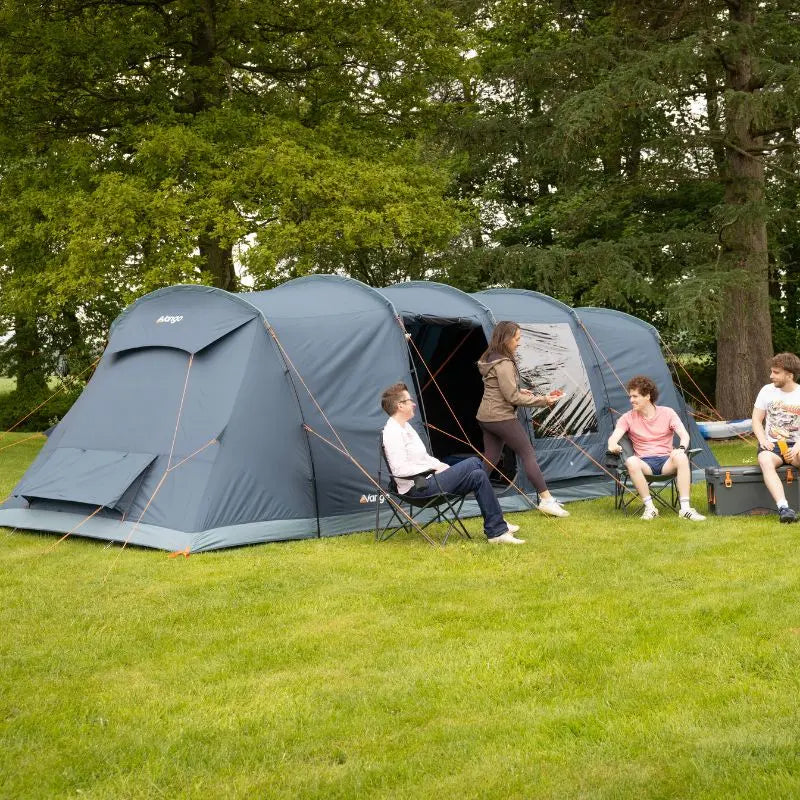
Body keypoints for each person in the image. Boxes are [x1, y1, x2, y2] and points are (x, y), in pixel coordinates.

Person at [381, 382, 525, 544]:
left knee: (478, 475)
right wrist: (433, 469)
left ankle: (497, 531)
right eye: (409, 401)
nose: (414, 404)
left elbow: (424, 458)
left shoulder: (405, 427)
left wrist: (442, 467)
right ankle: (498, 527)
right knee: (473, 462)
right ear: (400, 406)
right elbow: (400, 470)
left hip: (428, 480)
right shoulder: (392, 433)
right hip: (417, 488)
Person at [476, 321, 569, 517]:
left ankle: (470, 491)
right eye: (517, 339)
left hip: (485, 416)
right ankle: (546, 499)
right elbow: (512, 397)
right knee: (527, 453)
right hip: (500, 417)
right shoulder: (504, 363)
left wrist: (519, 390)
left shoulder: (489, 358)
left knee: (490, 458)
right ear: (506, 339)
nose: (519, 343)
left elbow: (500, 388)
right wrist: (544, 400)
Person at [607, 375, 705, 521]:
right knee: (631, 461)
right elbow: (613, 438)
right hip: (645, 464)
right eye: (630, 396)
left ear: (647, 396)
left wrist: (682, 447)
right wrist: (612, 445)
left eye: (635, 396)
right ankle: (650, 508)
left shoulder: (668, 413)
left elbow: (684, 435)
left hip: (666, 462)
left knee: (681, 456)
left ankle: (685, 509)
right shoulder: (628, 417)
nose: (631, 400)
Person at [752, 352, 800, 523]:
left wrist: (798, 446)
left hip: (796, 444)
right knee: (765, 460)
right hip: (772, 445)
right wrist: (763, 440)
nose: (771, 376)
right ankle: (784, 508)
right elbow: (757, 420)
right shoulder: (766, 391)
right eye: (771, 371)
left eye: (776, 372)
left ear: (790, 375)